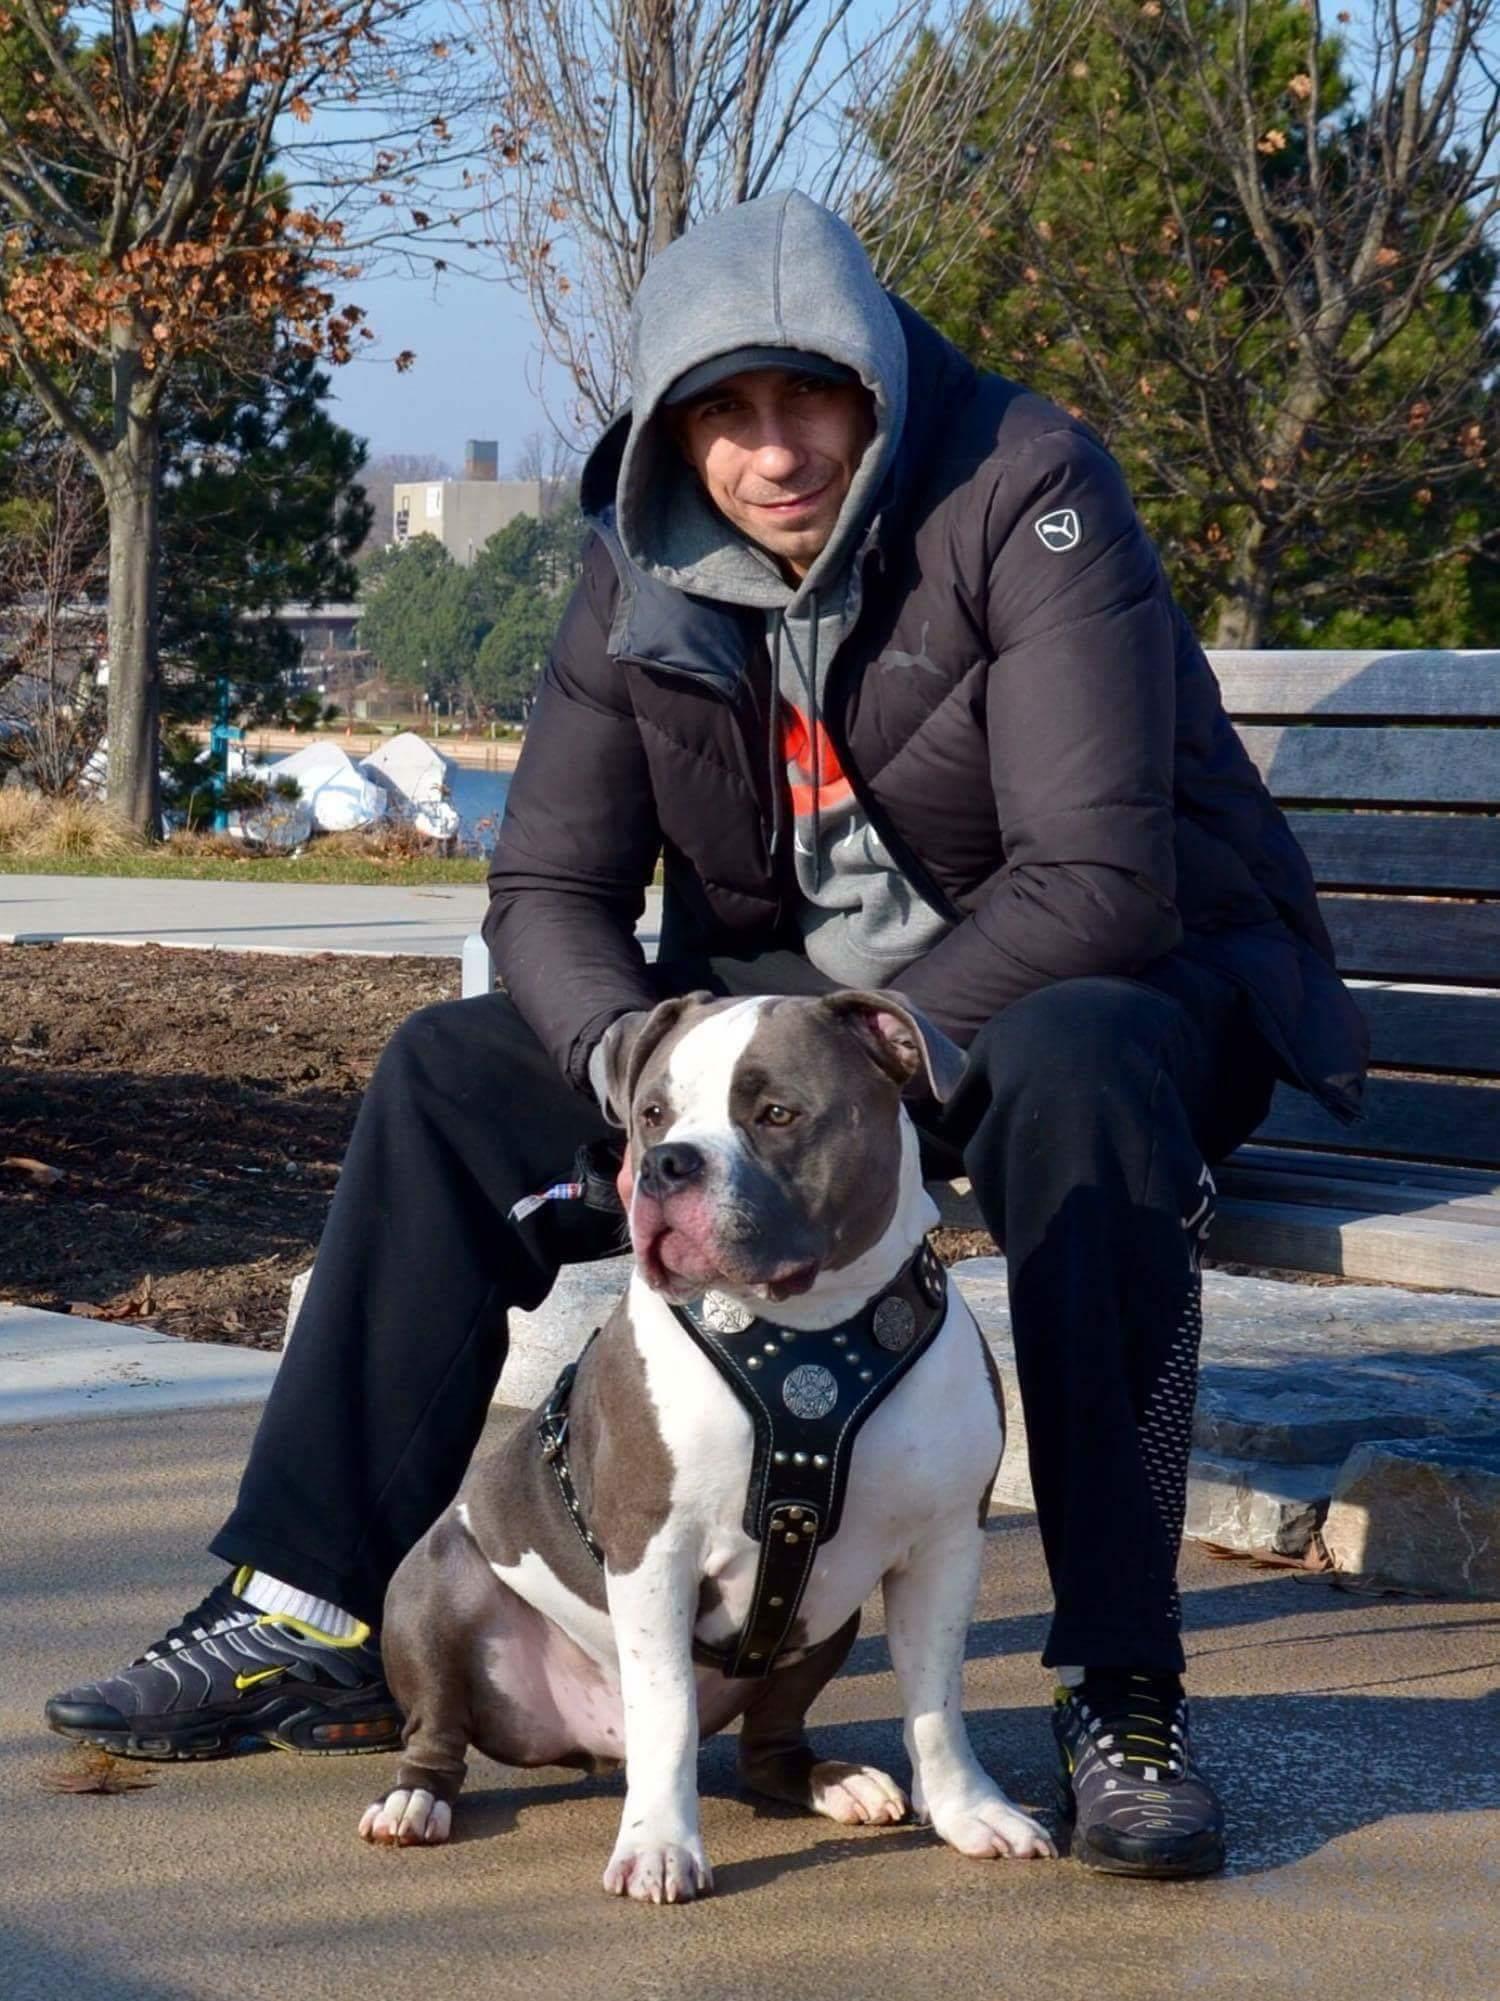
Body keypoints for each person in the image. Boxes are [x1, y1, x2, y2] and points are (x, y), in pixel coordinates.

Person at [47, 191, 1366, 1878]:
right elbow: (544, 887)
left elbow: (1102, 878)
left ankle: (1122, 1686)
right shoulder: (633, 558)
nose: (773, 451)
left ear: (877, 385)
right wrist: (629, 1066)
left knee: (1082, 1083)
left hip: (1094, 1000)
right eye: (725, 415)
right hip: (778, 1063)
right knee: (449, 1076)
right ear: (672, 432)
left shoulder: (1029, 493)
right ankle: (304, 1596)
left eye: (807, 399)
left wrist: (866, 1045)